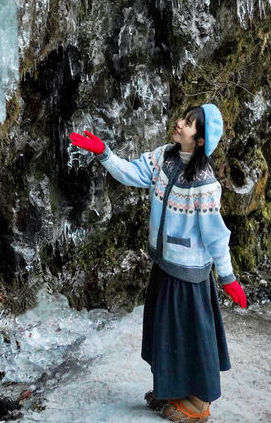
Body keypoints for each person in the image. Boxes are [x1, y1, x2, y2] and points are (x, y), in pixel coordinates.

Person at [69, 103, 247, 422]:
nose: (179, 124)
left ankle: (197, 405)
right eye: (183, 118)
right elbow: (133, 174)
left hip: (189, 273)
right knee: (166, 331)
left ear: (202, 140)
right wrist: (104, 152)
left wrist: (228, 277)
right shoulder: (165, 156)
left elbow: (215, 236)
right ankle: (172, 390)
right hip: (165, 265)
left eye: (189, 124)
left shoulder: (205, 184)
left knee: (189, 334)